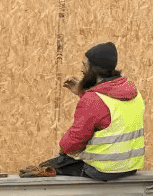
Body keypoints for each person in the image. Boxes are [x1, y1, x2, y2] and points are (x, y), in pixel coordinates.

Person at [47, 42, 145, 180]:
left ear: (93, 69)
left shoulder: (93, 100)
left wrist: (62, 148)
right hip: (129, 167)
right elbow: (107, 116)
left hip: (102, 169)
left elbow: (73, 143)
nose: (82, 70)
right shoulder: (134, 94)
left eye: (84, 65)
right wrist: (83, 93)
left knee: (46, 168)